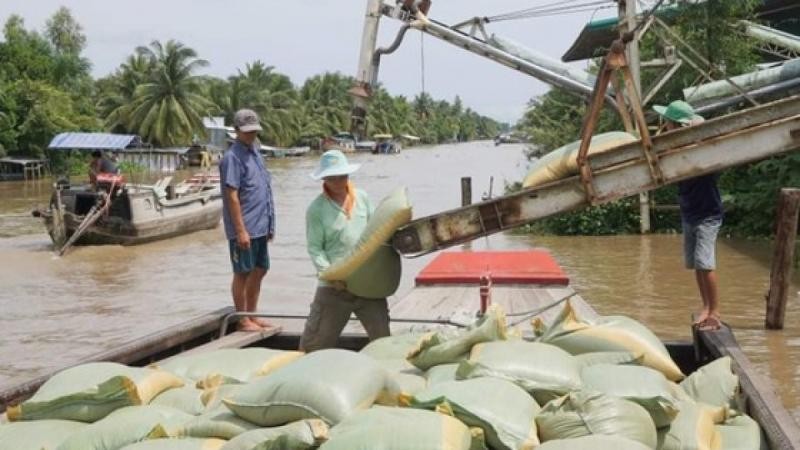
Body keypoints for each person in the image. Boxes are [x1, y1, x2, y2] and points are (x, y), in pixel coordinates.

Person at [299, 150, 390, 351]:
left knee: (383, 340)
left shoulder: (363, 198)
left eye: (342, 176)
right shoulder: (317, 209)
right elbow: (315, 249)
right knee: (313, 346)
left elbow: (377, 230)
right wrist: (331, 275)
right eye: (333, 177)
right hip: (334, 287)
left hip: (367, 283)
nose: (339, 181)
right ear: (324, 179)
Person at [654, 100, 723, 331]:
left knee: (705, 263)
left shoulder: (699, 148)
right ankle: (705, 307)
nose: (665, 126)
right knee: (696, 264)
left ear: (678, 125)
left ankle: (715, 312)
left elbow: (706, 136)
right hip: (690, 213)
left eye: (668, 123)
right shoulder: (676, 150)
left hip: (707, 214)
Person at [220, 108, 276, 332]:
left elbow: (263, 189)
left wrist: (270, 224)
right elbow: (232, 196)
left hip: (261, 225)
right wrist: (241, 230)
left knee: (260, 269)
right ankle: (243, 319)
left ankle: (252, 314)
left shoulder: (255, 151)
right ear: (236, 131)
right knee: (242, 272)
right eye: (247, 131)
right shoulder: (232, 158)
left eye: (254, 131)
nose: (251, 135)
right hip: (245, 227)